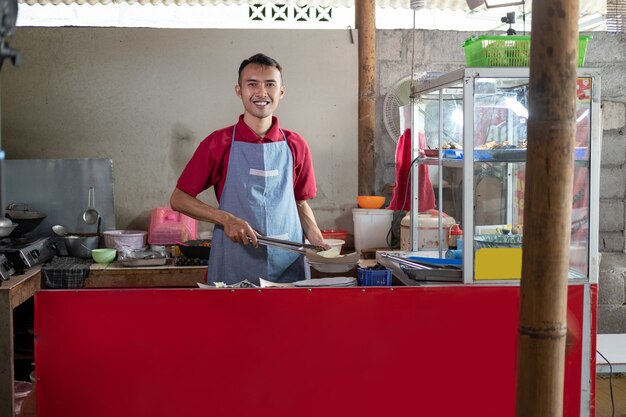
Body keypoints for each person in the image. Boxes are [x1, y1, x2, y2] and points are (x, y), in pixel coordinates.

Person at [171, 53, 327, 286]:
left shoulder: (296, 145)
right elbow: (179, 199)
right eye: (252, 84)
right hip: (234, 262)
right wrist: (227, 219)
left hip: (289, 264)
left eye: (270, 85)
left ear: (282, 91)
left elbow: (300, 202)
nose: (261, 93)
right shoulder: (218, 143)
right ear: (239, 90)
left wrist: (316, 237)